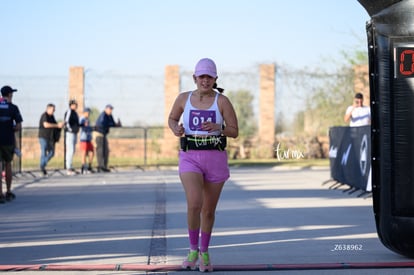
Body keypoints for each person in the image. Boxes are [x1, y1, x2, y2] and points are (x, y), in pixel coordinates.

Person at [168, 58, 239, 272]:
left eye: (209, 77)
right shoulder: (183, 99)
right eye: (202, 76)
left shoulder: (222, 101)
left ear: (215, 79)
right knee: (194, 203)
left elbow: (234, 130)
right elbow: (172, 119)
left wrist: (219, 127)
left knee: (208, 211)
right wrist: (175, 128)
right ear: (195, 78)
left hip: (215, 159)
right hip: (190, 157)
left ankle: (205, 253)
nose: (205, 80)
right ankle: (191, 250)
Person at [0, 85, 23, 203]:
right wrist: (10, 128)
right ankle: (8, 191)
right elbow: (18, 126)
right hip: (8, 140)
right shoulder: (13, 108)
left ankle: (0, 194)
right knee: (8, 164)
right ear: (9, 94)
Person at [38, 103, 64, 176]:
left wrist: (60, 125)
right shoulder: (44, 115)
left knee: (52, 153)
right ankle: (42, 168)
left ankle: (42, 165)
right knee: (44, 152)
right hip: (43, 137)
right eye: (53, 109)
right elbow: (45, 124)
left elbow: (56, 125)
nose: (54, 111)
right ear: (48, 109)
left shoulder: (52, 116)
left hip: (50, 138)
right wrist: (56, 125)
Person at [94, 104, 121, 172]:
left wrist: (117, 124)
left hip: (104, 134)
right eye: (109, 109)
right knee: (100, 151)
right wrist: (111, 124)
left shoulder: (110, 116)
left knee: (106, 151)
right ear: (106, 109)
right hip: (98, 134)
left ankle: (104, 166)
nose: (110, 111)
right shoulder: (103, 115)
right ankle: (100, 167)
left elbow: (112, 123)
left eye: (111, 109)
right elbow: (102, 123)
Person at [64, 99, 80, 175]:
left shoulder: (75, 113)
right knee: (70, 150)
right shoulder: (69, 111)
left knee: (72, 150)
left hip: (74, 133)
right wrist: (70, 129)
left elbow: (76, 123)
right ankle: (68, 168)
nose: (75, 106)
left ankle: (70, 166)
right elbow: (66, 122)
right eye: (74, 104)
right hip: (70, 133)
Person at [79, 107, 95, 174]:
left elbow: (89, 128)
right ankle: (83, 166)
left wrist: (93, 128)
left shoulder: (87, 120)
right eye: (87, 113)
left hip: (88, 138)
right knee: (84, 152)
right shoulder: (82, 119)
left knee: (91, 152)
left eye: (89, 113)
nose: (88, 114)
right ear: (84, 112)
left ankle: (89, 166)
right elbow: (82, 126)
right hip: (84, 138)